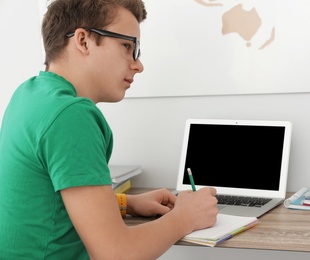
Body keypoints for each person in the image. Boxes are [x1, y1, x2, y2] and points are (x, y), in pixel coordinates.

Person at [0, 0, 218, 259]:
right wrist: (185, 217)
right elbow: (115, 254)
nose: (138, 65)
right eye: (127, 46)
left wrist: (127, 203)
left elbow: (46, 202)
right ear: (83, 41)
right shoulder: (71, 115)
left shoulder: (28, 94)